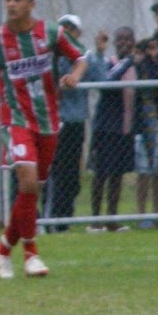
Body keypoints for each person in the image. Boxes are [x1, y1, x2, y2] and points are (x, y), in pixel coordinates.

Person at [0, 0, 87, 278]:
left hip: (48, 120)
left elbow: (80, 57)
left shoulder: (51, 33)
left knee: (31, 189)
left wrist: (75, 75)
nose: (11, 4)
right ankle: (31, 254)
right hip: (16, 119)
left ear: (31, 4)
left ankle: (2, 250)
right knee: (28, 182)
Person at [43, 14, 95, 231]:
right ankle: (49, 219)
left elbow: (99, 77)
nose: (67, 33)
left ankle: (65, 219)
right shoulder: (51, 56)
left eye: (71, 29)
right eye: (63, 29)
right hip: (53, 121)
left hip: (74, 122)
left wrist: (98, 54)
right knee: (53, 172)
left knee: (71, 175)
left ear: (78, 33)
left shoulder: (84, 56)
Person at [86, 27, 136, 231]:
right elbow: (108, 81)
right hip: (106, 128)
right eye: (120, 39)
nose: (124, 43)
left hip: (125, 129)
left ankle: (112, 219)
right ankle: (95, 220)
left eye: (128, 39)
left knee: (117, 174)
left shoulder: (136, 66)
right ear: (115, 43)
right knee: (101, 173)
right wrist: (129, 61)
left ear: (133, 42)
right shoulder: (110, 63)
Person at [133, 35, 158, 226]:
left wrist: (154, 59)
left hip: (157, 122)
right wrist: (141, 60)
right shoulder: (137, 66)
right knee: (143, 171)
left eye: (155, 48)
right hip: (141, 125)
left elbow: (156, 77)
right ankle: (141, 215)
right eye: (149, 48)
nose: (153, 51)